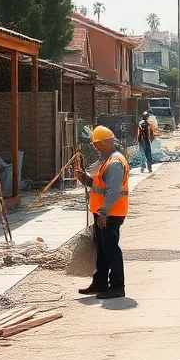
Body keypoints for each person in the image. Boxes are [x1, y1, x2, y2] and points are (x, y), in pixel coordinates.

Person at [75, 125, 129, 299]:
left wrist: (104, 213)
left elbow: (113, 192)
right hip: (104, 212)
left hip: (110, 213)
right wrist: (85, 179)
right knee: (103, 249)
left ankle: (117, 286)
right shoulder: (108, 160)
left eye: (98, 144)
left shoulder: (114, 163)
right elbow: (101, 187)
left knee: (111, 249)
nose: (96, 147)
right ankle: (100, 283)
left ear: (108, 142)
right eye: (94, 145)